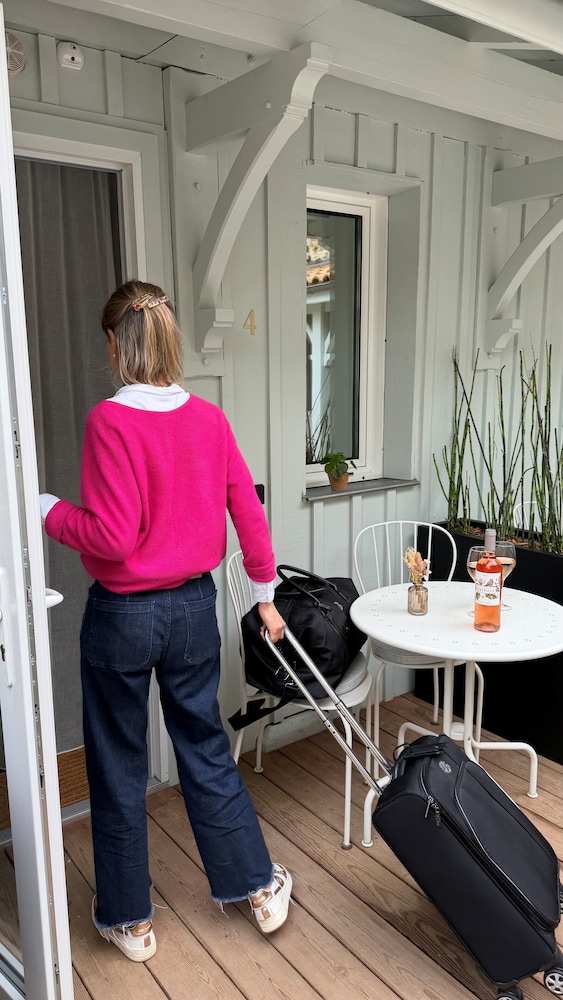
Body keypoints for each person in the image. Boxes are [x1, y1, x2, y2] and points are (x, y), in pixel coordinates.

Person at [39, 279, 291, 963]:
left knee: (118, 764)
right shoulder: (208, 419)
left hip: (122, 616)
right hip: (192, 610)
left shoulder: (110, 422)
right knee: (204, 746)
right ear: (170, 338)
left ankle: (130, 922)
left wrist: (47, 511)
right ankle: (258, 888)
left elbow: (112, 536)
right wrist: (264, 593)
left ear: (113, 342)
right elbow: (248, 511)